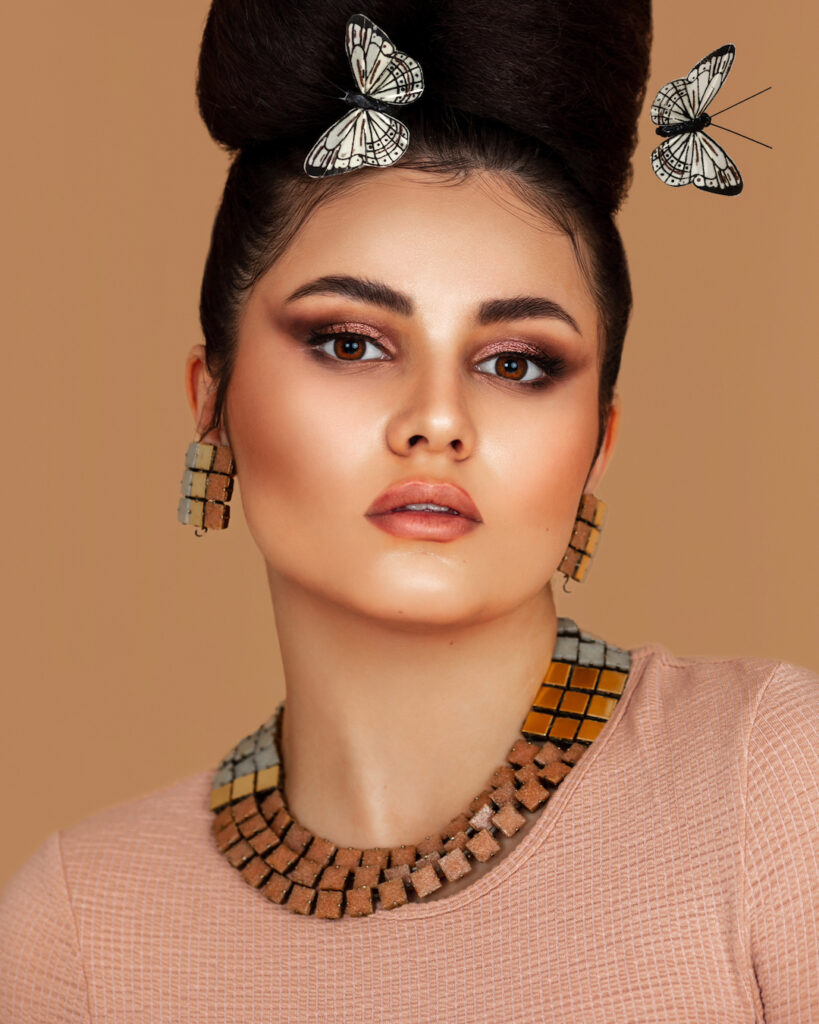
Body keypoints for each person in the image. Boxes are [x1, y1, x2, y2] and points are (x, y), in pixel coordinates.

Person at [1, 0, 816, 1020]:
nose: (437, 420)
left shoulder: (771, 787)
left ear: (596, 443)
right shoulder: (83, 929)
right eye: (352, 342)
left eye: (517, 363)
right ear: (212, 399)